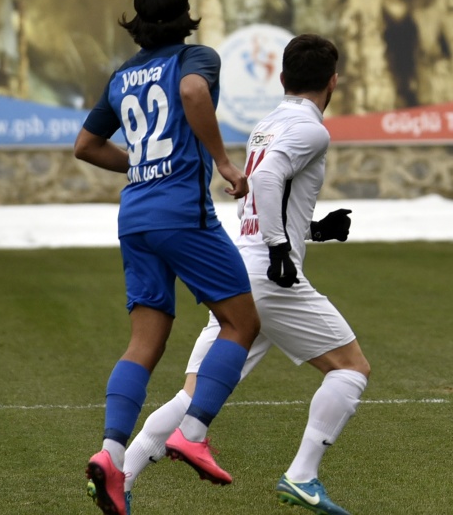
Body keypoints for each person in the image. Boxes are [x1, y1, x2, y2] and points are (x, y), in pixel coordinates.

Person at [123, 34, 368, 515]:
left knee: (194, 392)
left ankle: (120, 473)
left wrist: (313, 229)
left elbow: (256, 198)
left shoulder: (267, 125)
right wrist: (280, 248)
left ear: (283, 78)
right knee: (351, 368)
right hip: (272, 276)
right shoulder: (312, 130)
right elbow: (269, 180)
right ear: (333, 82)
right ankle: (302, 476)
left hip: (241, 271)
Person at [73, 0, 259, 515]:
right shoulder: (195, 58)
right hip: (181, 213)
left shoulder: (122, 76)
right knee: (241, 323)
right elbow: (194, 93)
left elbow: (85, 146)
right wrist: (224, 162)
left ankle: (111, 454)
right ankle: (192, 433)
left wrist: (141, 163)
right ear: (186, 17)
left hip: (134, 217)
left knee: (143, 343)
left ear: (137, 22)